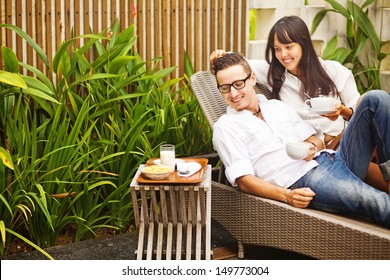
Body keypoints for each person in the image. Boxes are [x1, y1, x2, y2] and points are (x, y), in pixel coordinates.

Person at [211, 52, 390, 228]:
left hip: (332, 159)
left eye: (238, 84)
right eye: (225, 88)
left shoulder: (276, 107)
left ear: (252, 79)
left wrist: (311, 146)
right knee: (377, 201)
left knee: (376, 99)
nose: (233, 93)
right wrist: (287, 195)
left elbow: (315, 140)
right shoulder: (226, 127)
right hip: (307, 181)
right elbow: (244, 180)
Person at [210, 15, 388, 192]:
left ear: (304, 44)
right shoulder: (275, 73)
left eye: (289, 47)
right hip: (315, 155)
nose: (283, 55)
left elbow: (361, 113)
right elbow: (239, 68)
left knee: (377, 99)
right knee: (380, 180)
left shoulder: (334, 71)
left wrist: (342, 112)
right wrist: (221, 56)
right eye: (277, 49)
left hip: (347, 143)